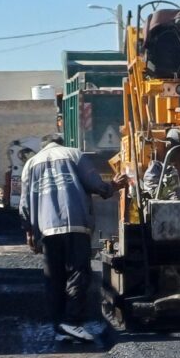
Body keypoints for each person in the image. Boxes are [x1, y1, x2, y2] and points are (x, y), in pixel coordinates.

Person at [20, 133, 127, 343]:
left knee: (54, 278)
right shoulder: (73, 154)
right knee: (79, 272)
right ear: (61, 143)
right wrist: (113, 185)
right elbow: (95, 184)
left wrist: (29, 231)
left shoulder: (30, 164)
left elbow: (24, 203)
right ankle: (72, 321)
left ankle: (60, 327)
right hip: (75, 223)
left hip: (47, 229)